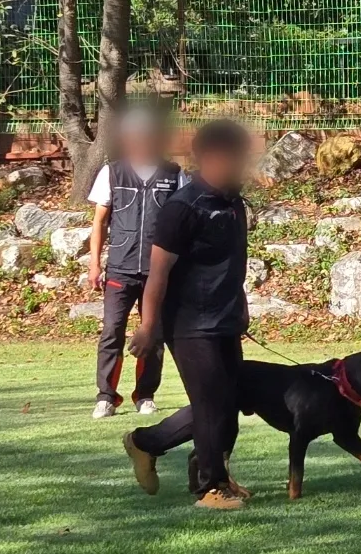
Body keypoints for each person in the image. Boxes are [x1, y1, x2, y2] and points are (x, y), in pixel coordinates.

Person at [125, 119, 252, 510]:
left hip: (226, 318)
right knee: (212, 405)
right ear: (206, 157)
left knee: (225, 403)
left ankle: (148, 443)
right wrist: (149, 327)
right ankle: (210, 488)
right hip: (189, 324)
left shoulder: (233, 203)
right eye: (231, 157)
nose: (238, 165)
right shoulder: (182, 208)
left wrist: (241, 307)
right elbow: (157, 273)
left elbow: (232, 265)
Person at [87, 106, 186, 419]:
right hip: (120, 267)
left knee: (153, 333)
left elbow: (184, 223)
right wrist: (94, 263)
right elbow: (99, 222)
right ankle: (106, 396)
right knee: (112, 331)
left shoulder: (174, 174)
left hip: (159, 271)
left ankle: (145, 395)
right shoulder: (112, 172)